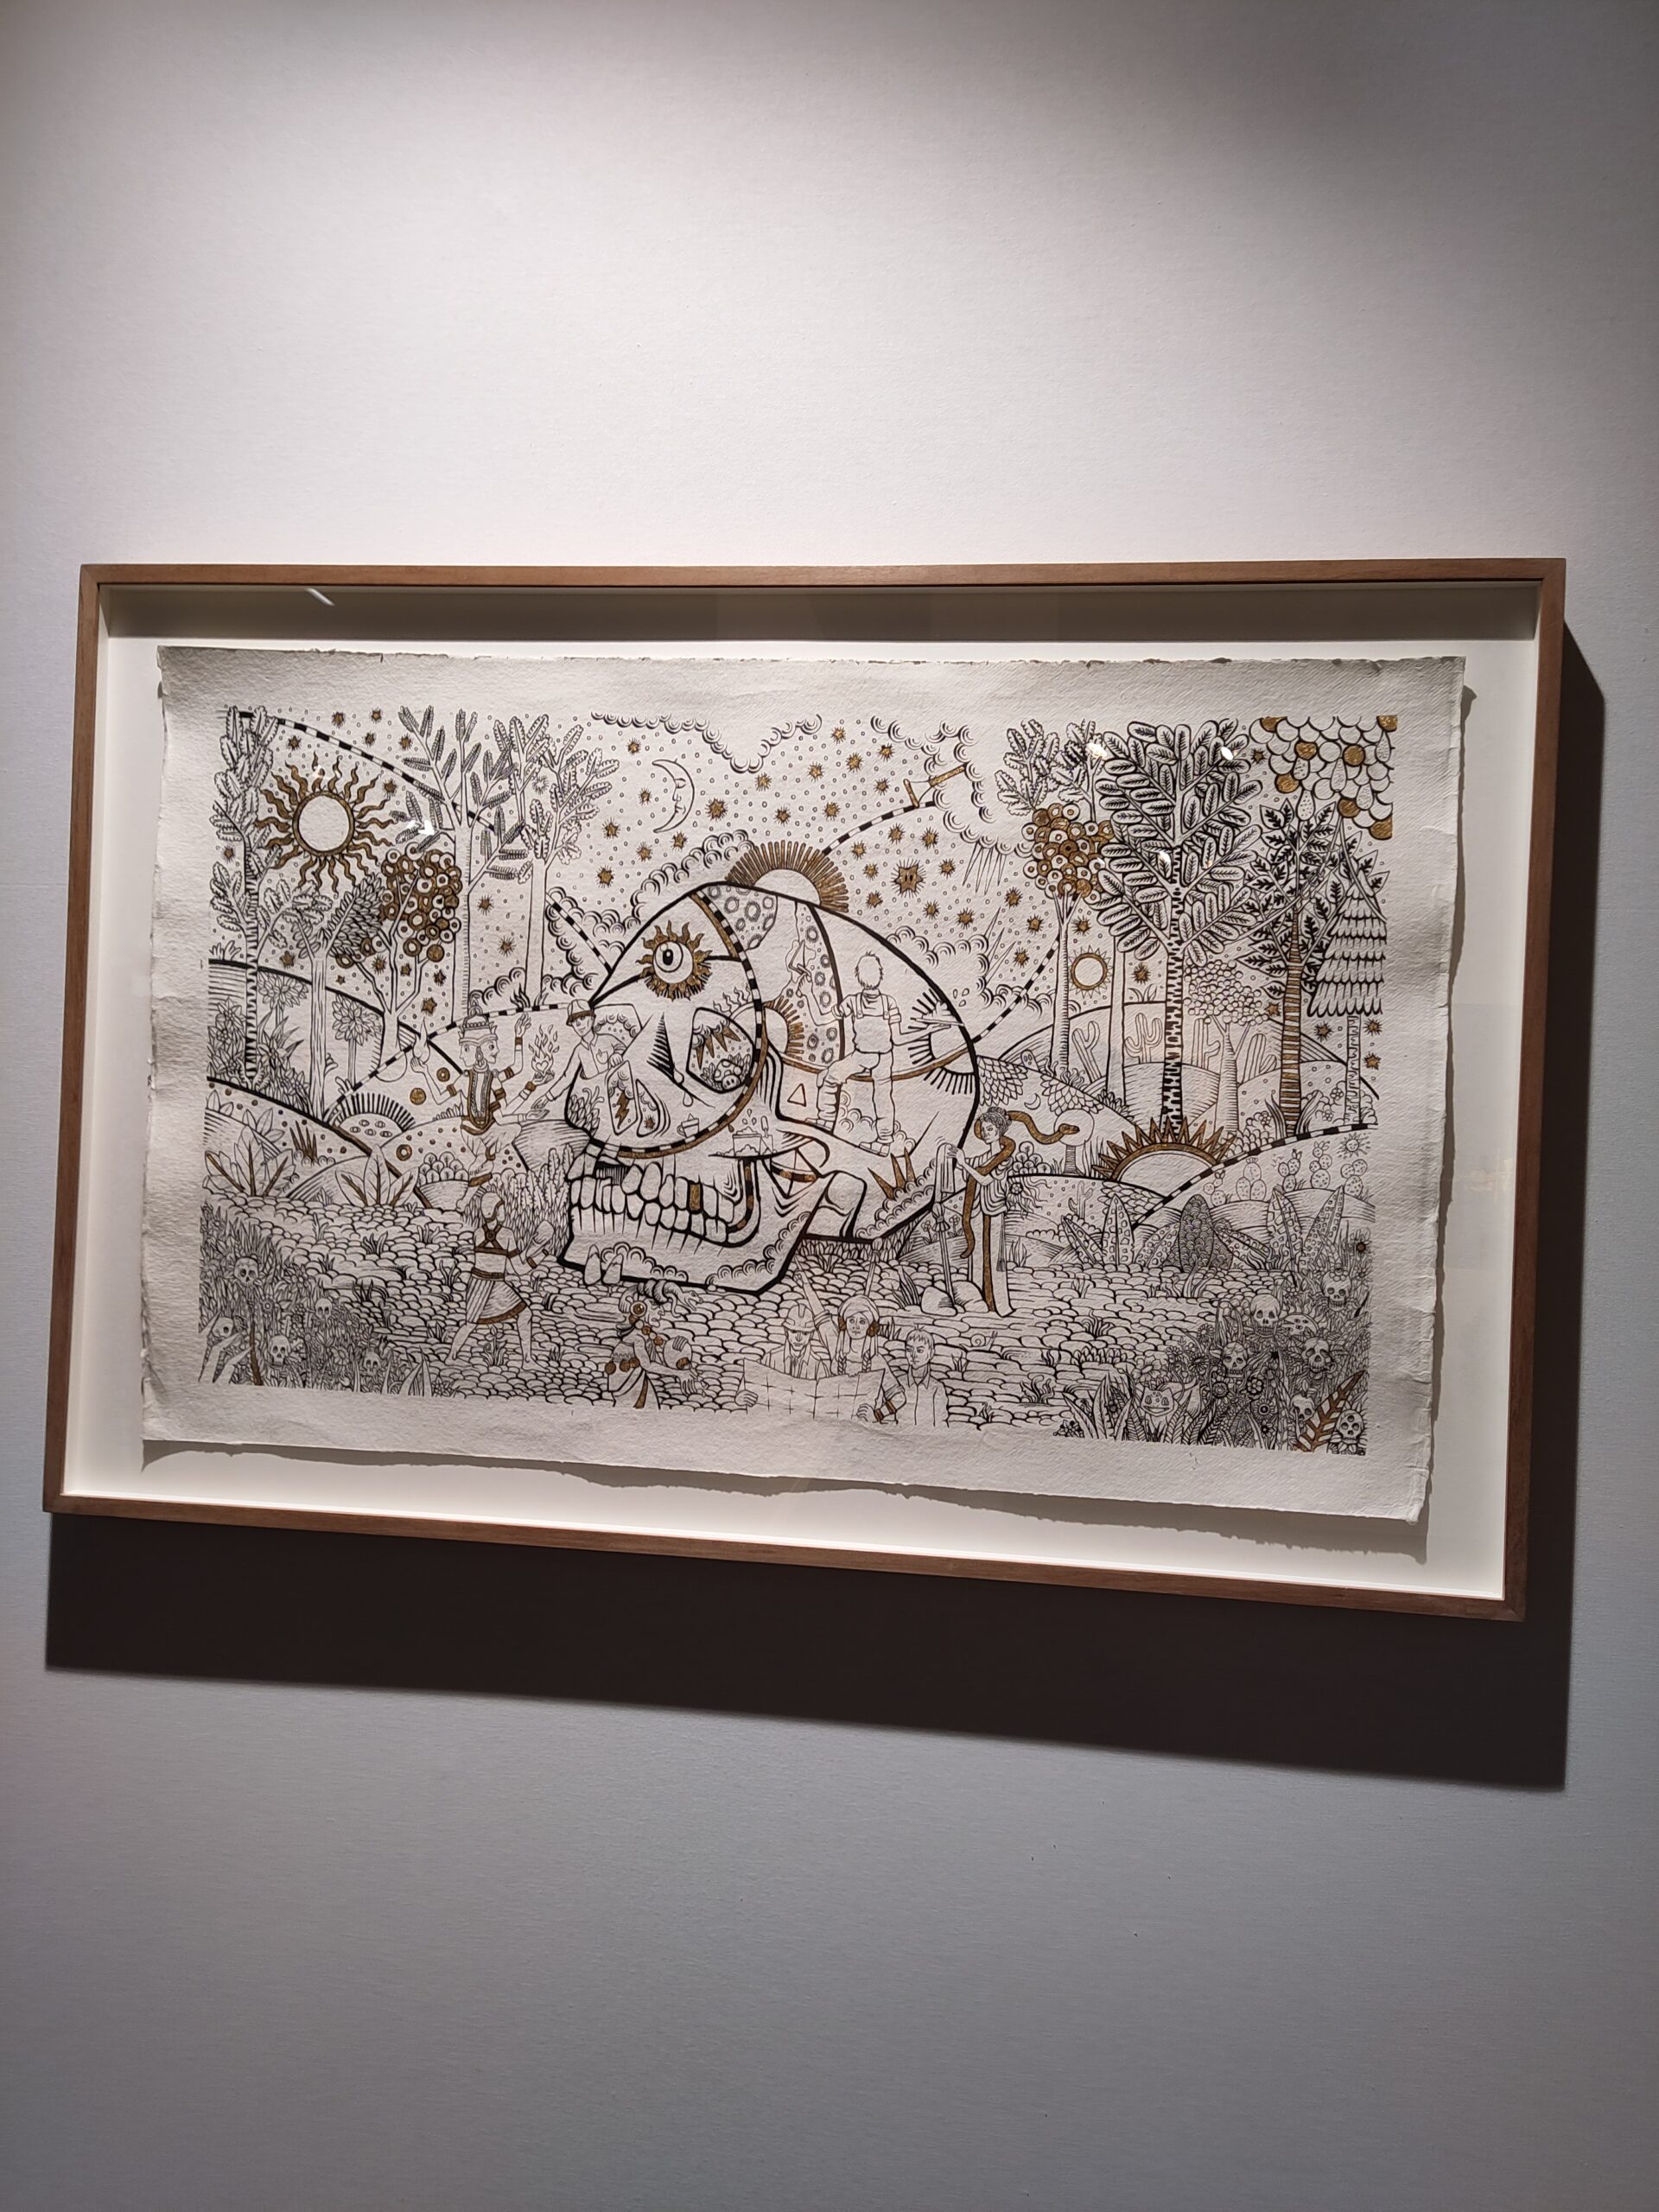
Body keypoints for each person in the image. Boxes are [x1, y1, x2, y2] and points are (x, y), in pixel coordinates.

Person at [446, 1188, 536, 1363]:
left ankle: (451, 1357)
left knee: (469, 1324)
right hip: (495, 1284)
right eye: (501, 1207)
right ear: (496, 1211)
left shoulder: (477, 1234)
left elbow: (496, 1261)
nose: (504, 1210)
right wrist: (539, 1256)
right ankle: (527, 1360)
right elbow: (519, 1269)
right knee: (525, 1314)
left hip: (477, 1284)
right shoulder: (507, 1234)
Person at [827, 953, 902, 1147]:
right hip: (883, 1057)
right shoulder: (889, 1002)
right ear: (880, 974)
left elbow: (826, 1017)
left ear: (859, 976)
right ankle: (885, 1139)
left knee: (831, 1076)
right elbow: (898, 1039)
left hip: (863, 1056)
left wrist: (810, 993)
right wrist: (927, 1030)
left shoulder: (853, 1002)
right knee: (883, 1097)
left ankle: (825, 1120)